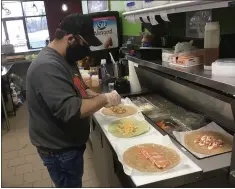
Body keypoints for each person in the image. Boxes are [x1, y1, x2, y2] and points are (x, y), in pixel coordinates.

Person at [26, 13, 121, 188]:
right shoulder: (47, 66)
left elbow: (79, 86)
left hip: (69, 144)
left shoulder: (65, 59)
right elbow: (71, 109)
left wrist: (93, 95)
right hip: (59, 150)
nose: (87, 50)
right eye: (85, 44)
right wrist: (105, 98)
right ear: (71, 38)